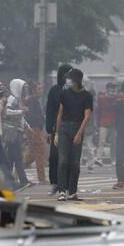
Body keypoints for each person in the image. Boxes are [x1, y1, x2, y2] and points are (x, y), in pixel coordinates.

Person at [54, 68, 93, 201]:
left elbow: (87, 116)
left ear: (76, 80)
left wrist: (79, 133)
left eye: (70, 79)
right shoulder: (64, 93)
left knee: (75, 163)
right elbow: (60, 113)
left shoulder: (87, 96)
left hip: (77, 127)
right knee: (63, 160)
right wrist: (57, 133)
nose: (68, 81)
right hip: (64, 128)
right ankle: (61, 190)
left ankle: (72, 192)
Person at [46, 63, 72, 195]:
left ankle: (66, 185)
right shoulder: (54, 90)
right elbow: (50, 110)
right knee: (54, 156)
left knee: (68, 157)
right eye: (67, 74)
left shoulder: (75, 89)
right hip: (57, 129)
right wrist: (49, 130)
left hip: (71, 128)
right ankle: (55, 183)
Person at [4, 78, 31, 190]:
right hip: (13, 132)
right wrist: (21, 111)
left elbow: (21, 117)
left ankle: (10, 181)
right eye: (22, 88)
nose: (24, 90)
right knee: (17, 157)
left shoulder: (18, 99)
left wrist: (27, 126)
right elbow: (6, 112)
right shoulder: (12, 99)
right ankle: (21, 180)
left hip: (17, 131)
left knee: (13, 157)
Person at [23, 82, 47, 184]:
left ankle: (16, 172)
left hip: (34, 129)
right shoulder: (32, 101)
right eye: (39, 89)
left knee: (33, 153)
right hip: (34, 129)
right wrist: (41, 121)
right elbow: (32, 116)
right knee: (40, 152)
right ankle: (41, 178)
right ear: (33, 90)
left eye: (41, 89)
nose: (41, 91)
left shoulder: (32, 100)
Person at [94, 82, 116, 166]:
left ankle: (113, 159)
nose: (112, 89)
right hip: (103, 121)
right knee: (101, 141)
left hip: (113, 122)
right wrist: (97, 122)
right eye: (110, 88)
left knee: (114, 142)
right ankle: (99, 158)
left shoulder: (116, 98)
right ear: (107, 89)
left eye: (113, 88)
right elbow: (98, 110)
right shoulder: (102, 98)